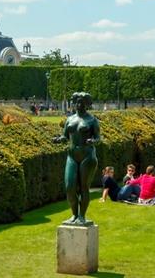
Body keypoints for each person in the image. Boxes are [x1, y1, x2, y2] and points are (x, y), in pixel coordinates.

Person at [53, 92, 100, 225]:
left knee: (84, 187)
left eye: (82, 103)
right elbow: (66, 136)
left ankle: (81, 216)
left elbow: (98, 138)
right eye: (77, 102)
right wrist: (59, 139)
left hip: (87, 155)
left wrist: (93, 141)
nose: (79, 105)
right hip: (72, 155)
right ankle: (74, 214)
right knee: (69, 187)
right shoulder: (70, 119)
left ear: (87, 104)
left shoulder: (92, 120)